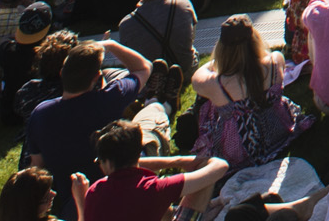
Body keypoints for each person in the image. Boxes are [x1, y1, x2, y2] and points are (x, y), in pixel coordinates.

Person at [20, 40, 152, 180]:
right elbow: (144, 67)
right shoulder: (111, 98)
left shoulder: (40, 113)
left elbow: (37, 165)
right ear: (96, 77)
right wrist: (111, 45)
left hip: (69, 191)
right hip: (113, 185)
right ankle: (157, 99)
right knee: (153, 112)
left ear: (61, 73)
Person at [189, 16, 299, 172]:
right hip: (278, 130)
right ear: (255, 39)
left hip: (240, 149)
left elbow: (198, 76)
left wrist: (220, 61)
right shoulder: (275, 60)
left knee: (206, 104)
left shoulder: (216, 83)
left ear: (222, 49)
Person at [64, 120, 227, 221]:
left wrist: (81, 200)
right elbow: (220, 166)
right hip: (154, 197)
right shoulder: (156, 188)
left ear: (108, 162)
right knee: (204, 177)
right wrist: (179, 161)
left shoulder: (95, 192)